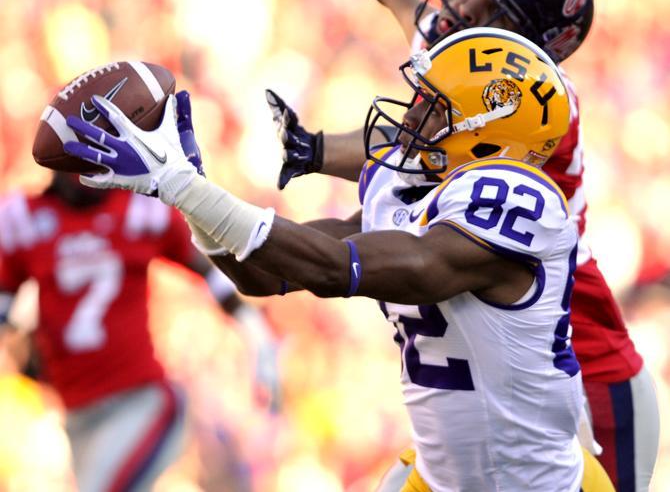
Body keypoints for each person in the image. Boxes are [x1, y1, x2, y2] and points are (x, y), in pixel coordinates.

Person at [60, 28, 613, 490]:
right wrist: (187, 189)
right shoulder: (415, 193)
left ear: (490, 137)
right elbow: (263, 271)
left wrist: (183, 187)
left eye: (434, 108)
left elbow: (337, 268)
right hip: (442, 474)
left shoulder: (522, 203)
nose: (411, 116)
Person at [266, 0, 659, 492]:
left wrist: (316, 150)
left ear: (530, 44)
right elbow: (429, 33)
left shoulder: (536, 109)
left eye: (485, 4)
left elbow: (415, 148)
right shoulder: (494, 75)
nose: (461, 5)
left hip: (583, 367)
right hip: (509, 369)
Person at [0, 164, 280, 492]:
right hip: (76, 411)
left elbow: (209, 269)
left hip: (142, 402)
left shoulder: (137, 209)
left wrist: (256, 334)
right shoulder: (23, 218)